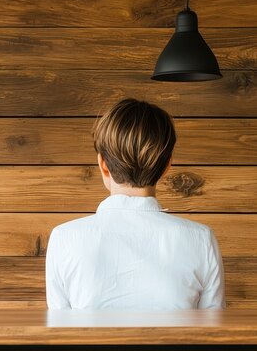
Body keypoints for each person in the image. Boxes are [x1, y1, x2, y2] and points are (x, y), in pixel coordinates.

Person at [45, 98, 225, 310]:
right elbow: (214, 332)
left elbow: (60, 335)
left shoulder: (64, 238)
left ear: (102, 164)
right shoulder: (201, 239)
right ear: (167, 166)